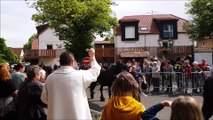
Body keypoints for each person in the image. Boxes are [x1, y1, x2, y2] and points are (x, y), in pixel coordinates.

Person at [41, 49, 101, 120]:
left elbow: (44, 98)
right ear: (72, 62)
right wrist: (92, 56)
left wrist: (56, 101)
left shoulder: (50, 78)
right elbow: (95, 71)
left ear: (60, 63)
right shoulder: (80, 75)